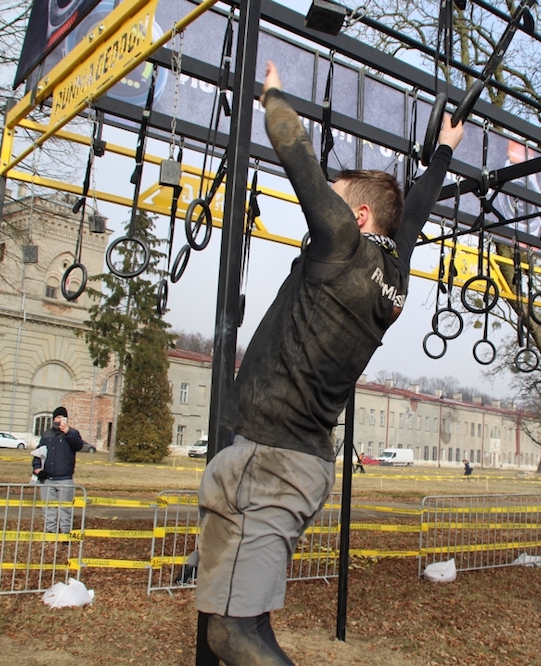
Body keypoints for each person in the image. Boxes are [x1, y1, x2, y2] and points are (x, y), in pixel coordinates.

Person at [194, 61, 464, 666]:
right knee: (240, 626)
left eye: (339, 207)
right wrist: (444, 150)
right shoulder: (393, 275)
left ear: (358, 219)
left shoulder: (343, 244)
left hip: (270, 459)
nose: (328, 217)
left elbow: (298, 158)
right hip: (301, 459)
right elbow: (416, 211)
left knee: (233, 636)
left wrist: (272, 96)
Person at [32, 406, 83, 533]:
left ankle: (65, 532)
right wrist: (37, 468)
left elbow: (78, 445)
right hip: (47, 478)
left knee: (65, 508)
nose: (60, 420)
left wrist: (68, 432)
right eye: (58, 417)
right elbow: (38, 453)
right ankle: (50, 531)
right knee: (48, 507)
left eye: (62, 417)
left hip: (65, 478)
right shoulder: (46, 434)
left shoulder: (72, 433)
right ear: (54, 419)